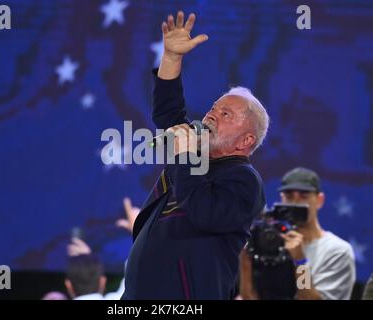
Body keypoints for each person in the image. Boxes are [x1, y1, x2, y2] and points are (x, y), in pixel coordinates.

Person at [121, 11, 269, 300]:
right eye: (214, 108)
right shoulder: (194, 155)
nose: (212, 114)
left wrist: (187, 155)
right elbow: (168, 113)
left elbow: (205, 213)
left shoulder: (245, 180)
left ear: (246, 140)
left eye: (225, 113)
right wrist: (172, 59)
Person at [239, 167, 356, 300]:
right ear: (281, 199)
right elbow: (248, 296)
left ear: (319, 200)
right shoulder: (266, 243)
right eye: (289, 196)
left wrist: (300, 263)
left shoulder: (337, 251)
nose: (295, 202)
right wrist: (245, 263)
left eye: (304, 196)